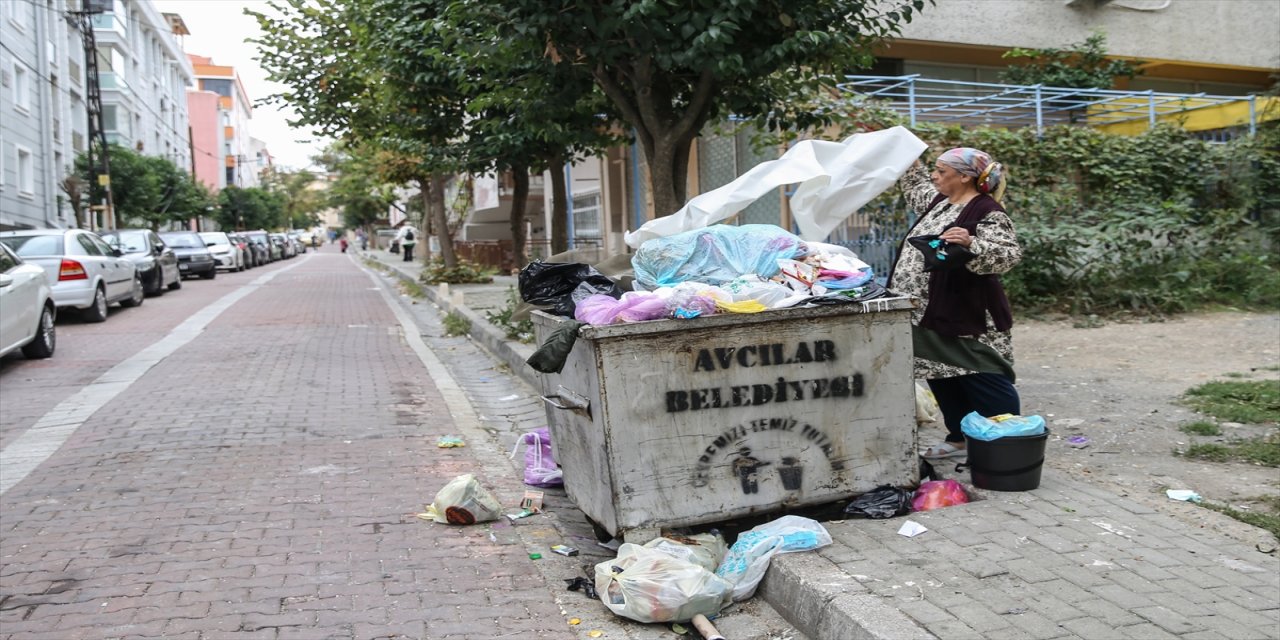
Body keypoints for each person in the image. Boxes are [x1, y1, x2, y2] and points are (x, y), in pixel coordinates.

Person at [886, 147, 1023, 460]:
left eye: (942, 171)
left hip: (967, 312)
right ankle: (960, 436)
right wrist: (902, 148)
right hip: (928, 311)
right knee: (939, 371)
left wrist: (972, 242)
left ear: (965, 176)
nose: (934, 176)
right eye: (934, 170)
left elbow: (1007, 255)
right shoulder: (938, 201)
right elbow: (914, 186)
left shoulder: (986, 210)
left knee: (981, 371)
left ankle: (1009, 440)